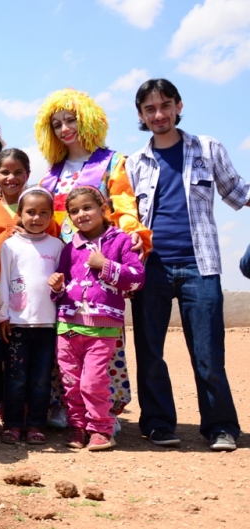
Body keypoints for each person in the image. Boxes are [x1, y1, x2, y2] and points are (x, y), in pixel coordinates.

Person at [126, 78, 249, 452]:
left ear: (179, 106)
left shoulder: (208, 148)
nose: (159, 114)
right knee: (151, 352)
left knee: (209, 353)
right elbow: (125, 217)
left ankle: (221, 427)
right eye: (150, 109)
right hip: (151, 268)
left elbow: (239, 193)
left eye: (165, 106)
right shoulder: (134, 163)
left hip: (202, 264)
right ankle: (158, 424)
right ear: (141, 116)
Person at [35, 88, 151, 429]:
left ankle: (106, 410)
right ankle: (66, 407)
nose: (64, 129)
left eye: (70, 120)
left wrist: (130, 239)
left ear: (87, 120)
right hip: (66, 262)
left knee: (104, 340)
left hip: (103, 259)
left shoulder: (113, 161)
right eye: (56, 124)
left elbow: (125, 204)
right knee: (67, 339)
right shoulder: (50, 172)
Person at [48, 186, 145, 451]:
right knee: (71, 383)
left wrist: (105, 265)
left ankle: (101, 429)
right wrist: (56, 286)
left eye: (87, 207)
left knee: (93, 383)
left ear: (103, 210)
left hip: (102, 330)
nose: (81, 214)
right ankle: (77, 427)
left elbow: (136, 279)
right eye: (74, 211)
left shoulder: (121, 241)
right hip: (67, 327)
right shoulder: (69, 249)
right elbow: (61, 286)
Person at [0, 149, 58, 436]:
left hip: (34, 309)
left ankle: (30, 415)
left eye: (18, 172)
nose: (11, 178)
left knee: (30, 367)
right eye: (4, 172)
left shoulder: (39, 209)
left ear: (27, 174)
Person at [0, 187, 63, 445]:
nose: (37, 218)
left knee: (40, 379)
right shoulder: (10, 246)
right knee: (15, 377)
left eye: (43, 213)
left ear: (51, 216)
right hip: (17, 325)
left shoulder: (57, 246)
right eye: (31, 212)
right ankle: (12, 425)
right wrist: (3, 316)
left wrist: (59, 286)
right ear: (20, 215)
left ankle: (36, 425)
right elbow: (3, 282)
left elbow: (61, 285)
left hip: (47, 326)